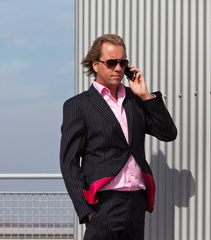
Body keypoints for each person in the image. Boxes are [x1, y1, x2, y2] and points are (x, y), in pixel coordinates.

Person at [59, 34, 177, 240]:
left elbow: (168, 133)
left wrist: (147, 97)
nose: (118, 68)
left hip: (136, 202)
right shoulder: (78, 105)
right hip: (104, 204)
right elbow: (68, 161)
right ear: (95, 65)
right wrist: (86, 210)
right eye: (111, 62)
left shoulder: (136, 100)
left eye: (123, 63)